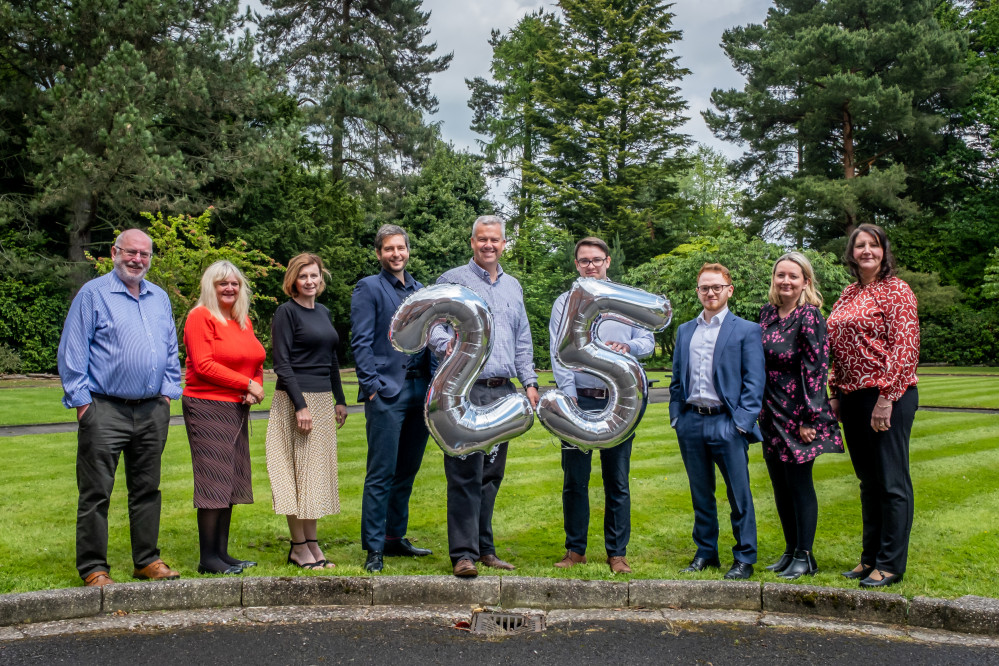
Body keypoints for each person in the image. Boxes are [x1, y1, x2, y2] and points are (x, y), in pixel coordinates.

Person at [57, 229, 182, 587]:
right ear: (115, 252)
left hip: (151, 410)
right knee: (96, 492)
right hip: (105, 409)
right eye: (131, 252)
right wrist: (83, 405)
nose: (138, 260)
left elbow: (170, 349)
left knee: (147, 489)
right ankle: (94, 568)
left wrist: (168, 393)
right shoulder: (93, 294)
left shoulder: (159, 297)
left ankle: (146, 560)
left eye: (145, 254)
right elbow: (73, 352)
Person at [429, 215, 540, 578]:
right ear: (472, 242)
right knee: (464, 471)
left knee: (491, 474)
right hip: (463, 388)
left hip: (502, 392)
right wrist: (450, 347)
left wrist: (529, 382)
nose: (488, 245)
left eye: (495, 240)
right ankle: (463, 554)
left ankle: (484, 548)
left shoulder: (513, 287)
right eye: (482, 239)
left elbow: (522, 339)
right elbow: (434, 326)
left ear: (504, 244)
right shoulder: (452, 280)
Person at [549, 236, 654, 574]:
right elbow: (558, 353)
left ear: (608, 261)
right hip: (578, 401)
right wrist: (569, 397)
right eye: (584, 260)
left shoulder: (628, 301)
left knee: (617, 480)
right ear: (576, 264)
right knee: (574, 480)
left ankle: (616, 552)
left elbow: (648, 342)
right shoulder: (564, 303)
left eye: (596, 259)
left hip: (619, 401)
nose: (590, 265)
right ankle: (575, 549)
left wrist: (629, 349)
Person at [827, 224, 919, 589]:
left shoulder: (896, 290)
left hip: (887, 396)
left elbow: (905, 347)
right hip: (852, 397)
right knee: (869, 482)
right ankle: (869, 558)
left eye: (873, 244)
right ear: (851, 254)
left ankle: (891, 563)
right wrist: (835, 393)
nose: (866, 250)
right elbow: (835, 348)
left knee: (892, 481)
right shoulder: (848, 294)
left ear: (884, 251)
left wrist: (887, 398)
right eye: (859, 245)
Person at [669, 263, 765, 580]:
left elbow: (754, 383)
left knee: (739, 495)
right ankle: (706, 553)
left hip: (728, 424)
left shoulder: (747, 330)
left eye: (716, 287)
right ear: (698, 291)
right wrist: (676, 417)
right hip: (692, 422)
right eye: (704, 288)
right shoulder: (685, 331)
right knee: (701, 495)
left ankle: (744, 558)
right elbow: (676, 382)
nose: (710, 293)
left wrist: (740, 424)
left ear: (729, 290)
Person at [351, 225, 434, 573]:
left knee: (407, 471)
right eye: (388, 249)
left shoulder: (422, 290)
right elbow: (361, 341)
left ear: (408, 250)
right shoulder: (368, 288)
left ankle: (394, 537)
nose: (396, 254)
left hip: (422, 390)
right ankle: (373, 549)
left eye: (400, 248)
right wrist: (371, 386)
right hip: (387, 391)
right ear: (379, 253)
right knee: (381, 473)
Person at [758, 253, 843, 580]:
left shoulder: (809, 316)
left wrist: (810, 419)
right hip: (770, 412)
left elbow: (816, 369)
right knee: (780, 485)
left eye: (793, 276)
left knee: (799, 484)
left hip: (799, 413)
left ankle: (805, 556)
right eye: (781, 275)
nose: (786, 282)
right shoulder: (767, 314)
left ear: (805, 281)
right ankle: (790, 550)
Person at [181, 261, 266, 575]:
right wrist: (246, 384)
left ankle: (222, 553)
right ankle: (208, 558)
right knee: (213, 480)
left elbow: (256, 356)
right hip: (207, 406)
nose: (229, 288)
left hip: (236, 407)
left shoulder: (241, 320)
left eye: (234, 284)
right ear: (210, 286)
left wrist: (251, 385)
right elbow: (203, 365)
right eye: (222, 284)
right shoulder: (200, 317)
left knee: (229, 480)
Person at [265, 253, 348, 570]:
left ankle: (313, 543)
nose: (310, 281)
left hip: (323, 400)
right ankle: (298, 547)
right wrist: (300, 405)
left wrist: (339, 399)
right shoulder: (286, 313)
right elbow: (282, 364)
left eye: (314, 276)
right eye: (303, 277)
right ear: (293, 281)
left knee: (314, 475)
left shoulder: (324, 312)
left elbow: (332, 359)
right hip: (295, 401)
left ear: (320, 278)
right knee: (294, 475)